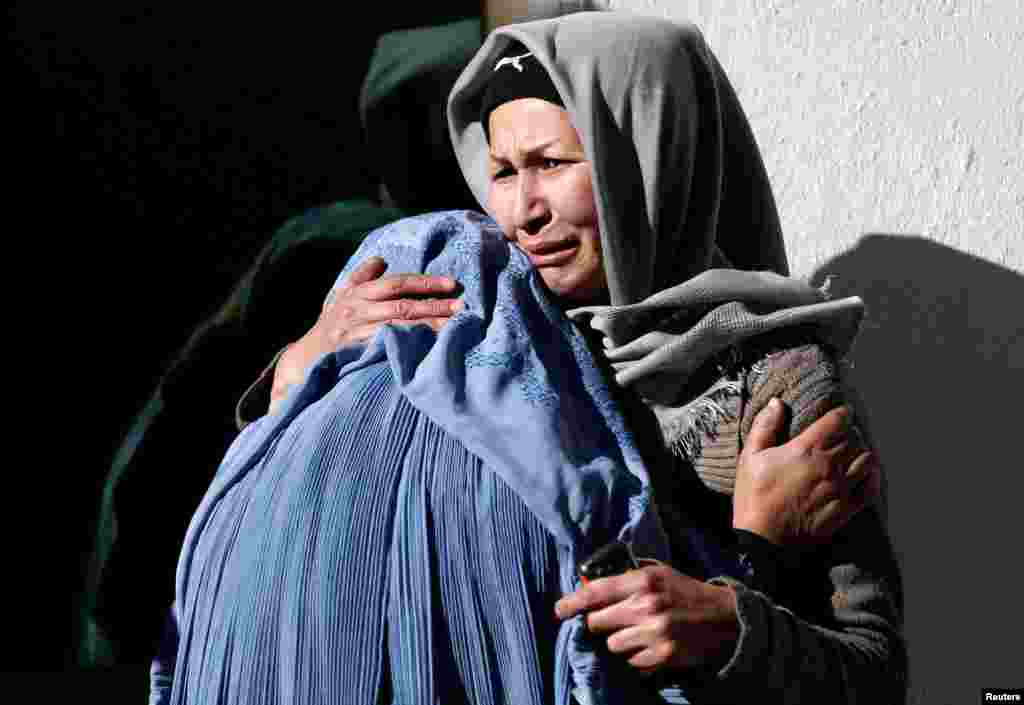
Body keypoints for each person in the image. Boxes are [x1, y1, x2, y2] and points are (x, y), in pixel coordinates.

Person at [155, 12, 903, 705]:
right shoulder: (485, 325)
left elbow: (875, 672)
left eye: (551, 163)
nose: (522, 210)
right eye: (504, 172)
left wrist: (732, 622)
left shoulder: (772, 379)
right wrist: (305, 363)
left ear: (645, 154)